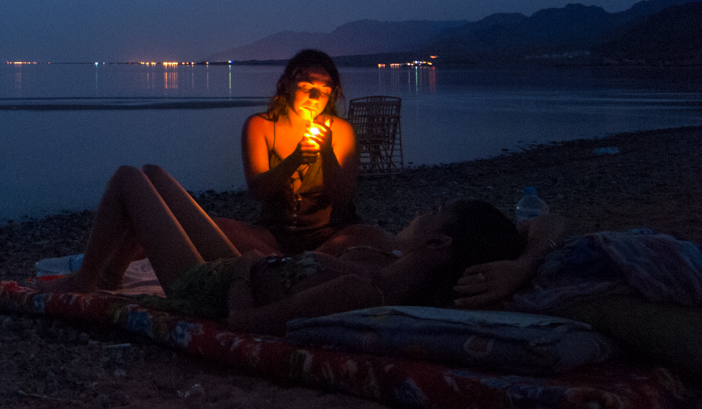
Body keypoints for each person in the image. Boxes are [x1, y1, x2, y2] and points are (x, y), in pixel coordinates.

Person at [38, 162, 522, 336]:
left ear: (439, 242)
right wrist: (525, 261)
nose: (425, 209)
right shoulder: (387, 259)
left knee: (128, 179)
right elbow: (541, 224)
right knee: (156, 174)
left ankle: (87, 281)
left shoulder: (362, 291)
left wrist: (247, 270)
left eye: (437, 210)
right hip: (242, 268)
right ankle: (115, 273)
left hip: (211, 288)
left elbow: (244, 326)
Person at [216, 49, 389, 257]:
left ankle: (288, 264)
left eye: (323, 91)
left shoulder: (342, 131)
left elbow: (345, 196)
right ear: (286, 85)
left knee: (375, 236)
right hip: (274, 234)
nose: (314, 97)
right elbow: (258, 190)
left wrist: (326, 153)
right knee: (218, 229)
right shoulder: (259, 125)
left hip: (329, 235)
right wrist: (295, 160)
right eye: (305, 87)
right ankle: (305, 264)